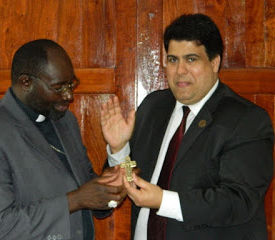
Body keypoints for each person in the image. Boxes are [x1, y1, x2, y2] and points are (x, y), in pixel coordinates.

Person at [101, 14, 274, 240]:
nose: (180, 70)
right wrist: (120, 149)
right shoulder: (154, 107)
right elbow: (133, 181)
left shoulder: (247, 119)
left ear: (214, 62)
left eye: (191, 59)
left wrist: (163, 201)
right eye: (173, 60)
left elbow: (238, 200)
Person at [0, 39, 126, 240]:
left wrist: (118, 158)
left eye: (72, 84)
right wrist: (74, 201)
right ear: (25, 82)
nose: (69, 95)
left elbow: (86, 188)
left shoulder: (65, 121)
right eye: (58, 87)